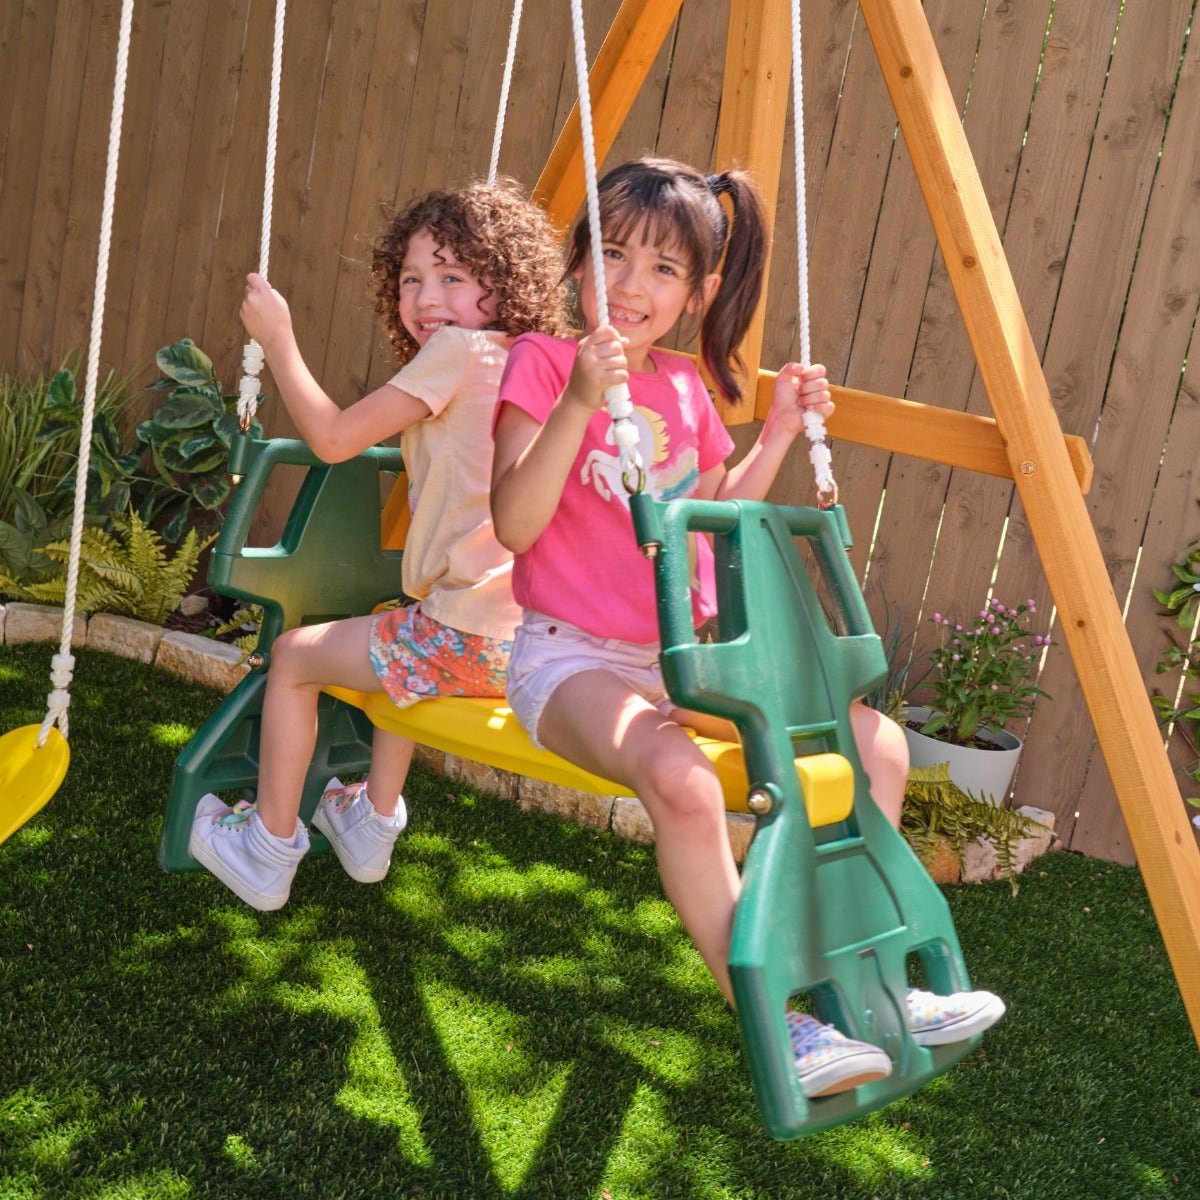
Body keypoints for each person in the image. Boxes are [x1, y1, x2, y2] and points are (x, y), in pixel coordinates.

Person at [490, 157, 1004, 1100]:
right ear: (578, 258)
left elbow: (713, 514)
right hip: (568, 660)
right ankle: (779, 1021)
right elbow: (516, 524)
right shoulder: (545, 364)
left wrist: (776, 434)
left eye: (663, 269)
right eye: (614, 255)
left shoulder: (686, 389)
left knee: (876, 746)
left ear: (697, 293)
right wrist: (578, 400)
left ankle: (871, 985)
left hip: (681, 663)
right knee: (684, 783)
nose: (632, 285)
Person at [189, 179, 570, 911]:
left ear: (504, 282)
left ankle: (266, 850)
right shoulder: (545, 363)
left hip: (467, 635)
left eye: (451, 277)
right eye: (410, 280)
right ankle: (371, 823)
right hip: (531, 639)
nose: (425, 298)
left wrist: (278, 339)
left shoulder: (458, 351)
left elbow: (334, 440)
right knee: (408, 621)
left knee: (295, 658)